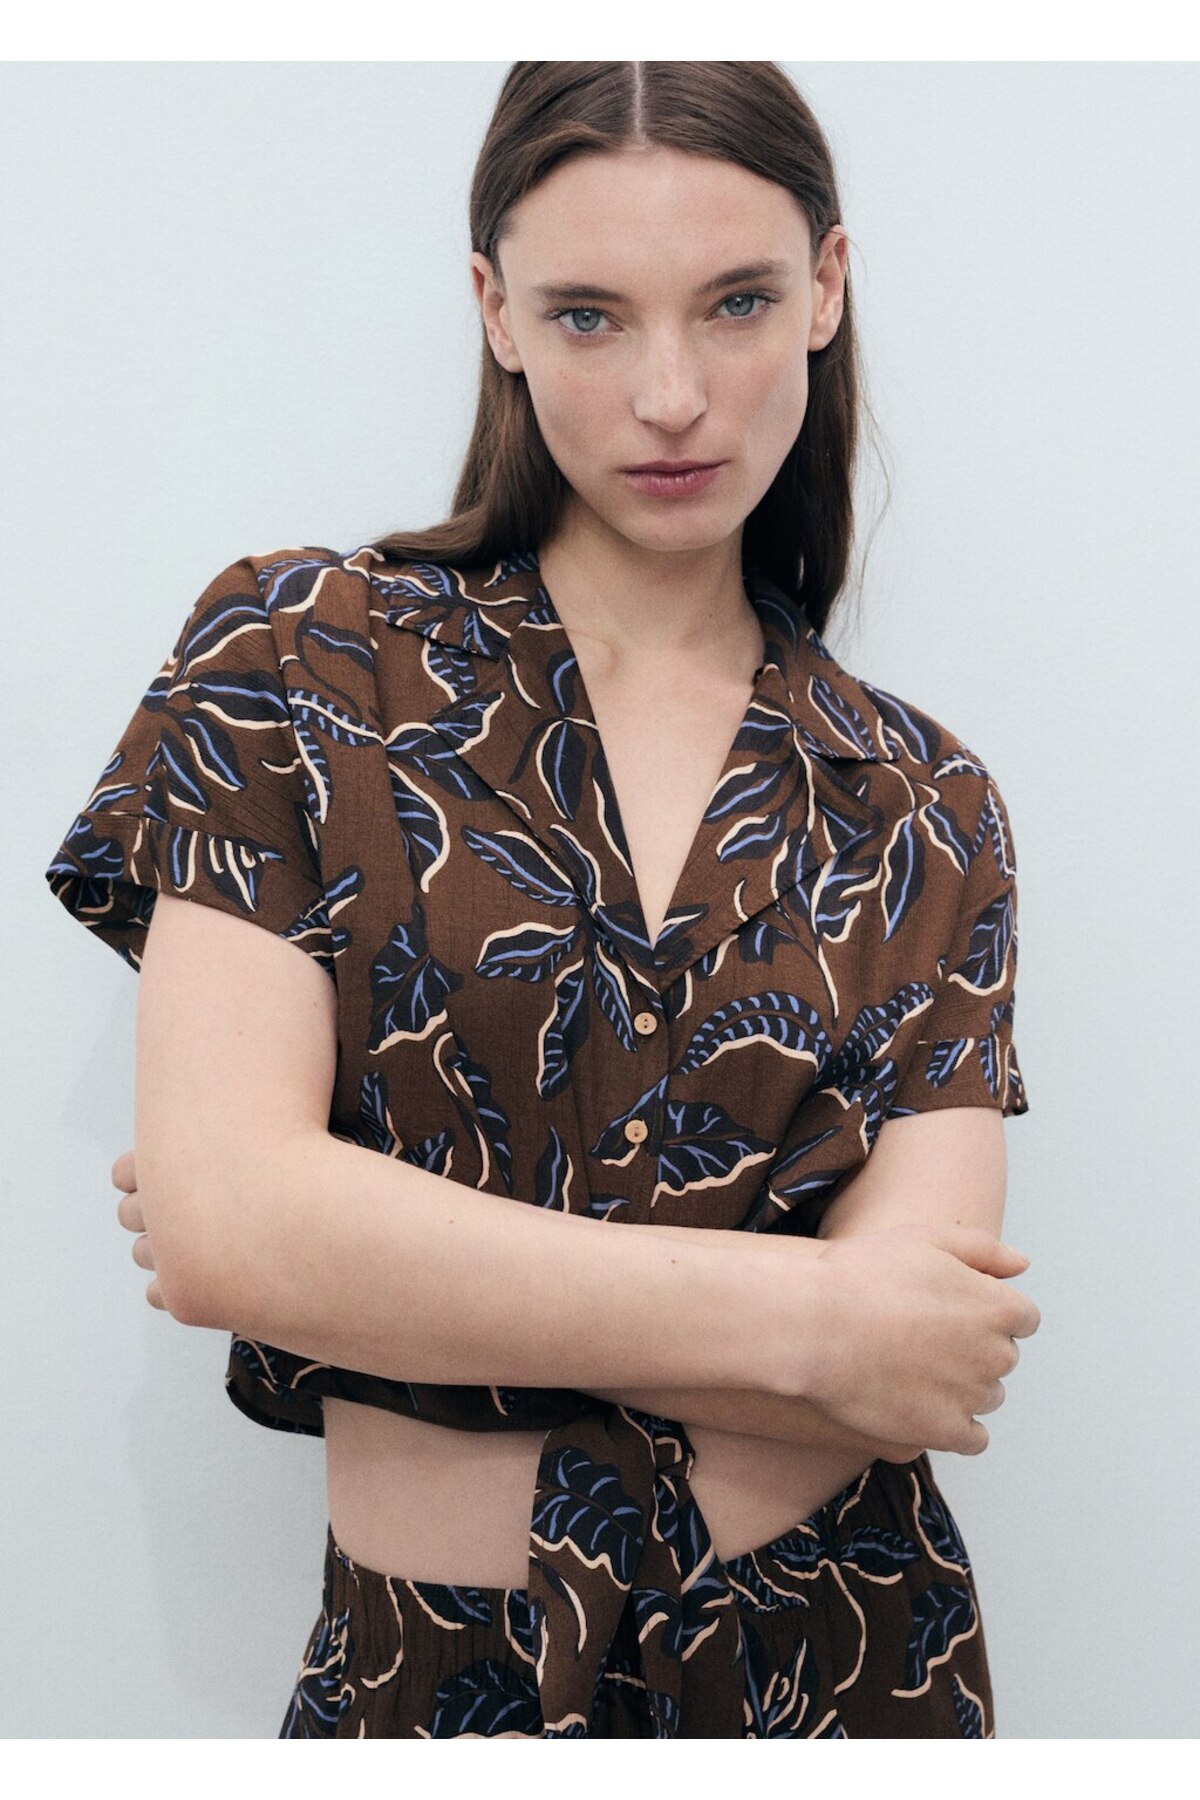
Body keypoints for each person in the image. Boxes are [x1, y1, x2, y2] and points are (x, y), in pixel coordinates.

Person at [45, 60, 1040, 1739]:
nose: (672, 395)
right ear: (495, 311)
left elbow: (918, 1364)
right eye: (589, 315)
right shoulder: (296, 665)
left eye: (737, 302)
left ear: (828, 290)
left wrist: (348, 1241)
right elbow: (226, 1232)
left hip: (850, 1662)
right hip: (422, 1683)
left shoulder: (922, 802)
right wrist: (809, 1311)